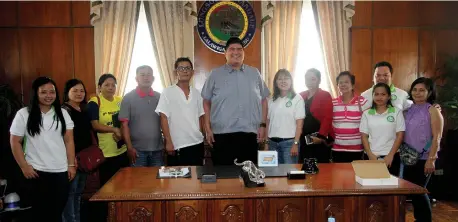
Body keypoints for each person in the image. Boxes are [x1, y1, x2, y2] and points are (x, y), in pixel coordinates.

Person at [10, 77, 75, 221]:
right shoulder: (24, 114)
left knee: (56, 213)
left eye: (52, 92)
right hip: (36, 172)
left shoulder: (63, 114)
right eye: (44, 92)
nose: (48, 95)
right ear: (36, 94)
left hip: (60, 171)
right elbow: (15, 142)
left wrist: (71, 165)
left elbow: (69, 141)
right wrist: (24, 166)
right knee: (39, 215)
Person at [201, 37, 270, 165]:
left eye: (239, 49)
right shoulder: (215, 74)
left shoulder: (254, 73)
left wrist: (263, 125)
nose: (236, 52)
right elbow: (206, 102)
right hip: (222, 136)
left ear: (243, 52)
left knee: (249, 177)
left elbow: (264, 100)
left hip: (250, 135)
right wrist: (208, 128)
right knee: (224, 178)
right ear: (225, 53)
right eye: (232, 49)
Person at [402, 77, 443, 222]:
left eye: (422, 90)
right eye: (414, 90)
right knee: (412, 192)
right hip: (407, 157)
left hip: (425, 158)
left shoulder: (433, 110)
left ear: (429, 92)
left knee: (419, 191)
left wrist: (431, 160)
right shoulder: (407, 110)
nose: (417, 93)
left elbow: (437, 136)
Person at [156, 58, 205, 166]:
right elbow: (163, 118)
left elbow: (201, 117)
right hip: (177, 145)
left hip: (197, 143)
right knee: (177, 182)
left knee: (196, 180)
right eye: (181, 68)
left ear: (192, 72)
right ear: (175, 72)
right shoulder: (167, 92)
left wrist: (203, 135)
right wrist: (168, 141)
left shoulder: (197, 93)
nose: (185, 71)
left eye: (188, 68)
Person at [87, 74, 128, 185]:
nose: (110, 88)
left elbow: (126, 120)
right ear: (99, 87)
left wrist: (121, 131)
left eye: (113, 85)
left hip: (122, 149)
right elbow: (95, 125)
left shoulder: (120, 100)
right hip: (105, 153)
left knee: (124, 184)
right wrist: (114, 130)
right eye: (106, 85)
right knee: (108, 186)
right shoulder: (94, 102)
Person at [61, 79, 93, 222]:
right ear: (67, 93)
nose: (79, 93)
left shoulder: (84, 109)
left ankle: (76, 219)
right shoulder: (64, 110)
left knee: (78, 193)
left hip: (84, 159)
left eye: (81, 91)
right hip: (71, 159)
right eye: (75, 90)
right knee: (70, 194)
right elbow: (64, 138)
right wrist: (70, 160)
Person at [119, 65, 163, 167]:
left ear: (153, 78)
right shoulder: (128, 98)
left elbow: (165, 121)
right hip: (137, 151)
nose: (146, 77)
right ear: (136, 78)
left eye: (149, 75)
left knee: (158, 181)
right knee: (138, 182)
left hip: (158, 150)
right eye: (142, 75)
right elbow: (124, 126)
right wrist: (129, 148)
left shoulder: (160, 97)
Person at [360, 83, 405, 176]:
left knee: (390, 188)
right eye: (376, 94)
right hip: (371, 156)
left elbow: (400, 135)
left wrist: (390, 155)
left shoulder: (396, 112)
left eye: (383, 94)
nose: (379, 97)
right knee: (371, 187)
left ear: (388, 96)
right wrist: (370, 154)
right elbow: (364, 136)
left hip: (391, 156)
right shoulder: (366, 114)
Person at [264, 69, 305, 164]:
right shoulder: (271, 100)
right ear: (275, 82)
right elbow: (268, 122)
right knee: (273, 175)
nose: (283, 81)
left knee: (289, 175)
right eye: (280, 79)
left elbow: (299, 125)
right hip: (272, 144)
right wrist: (266, 143)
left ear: (291, 81)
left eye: (286, 78)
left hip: (289, 144)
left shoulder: (297, 99)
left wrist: (295, 143)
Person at [331, 71, 371, 162]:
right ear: (337, 86)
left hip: (357, 149)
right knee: (338, 175)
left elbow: (370, 123)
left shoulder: (362, 102)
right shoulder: (332, 103)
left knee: (354, 175)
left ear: (352, 85)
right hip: (337, 148)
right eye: (340, 82)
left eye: (346, 82)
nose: (343, 85)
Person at [299, 68, 333, 163]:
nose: (309, 82)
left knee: (321, 170)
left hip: (318, 138)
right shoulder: (300, 95)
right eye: (307, 79)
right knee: (303, 167)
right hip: (303, 138)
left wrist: (321, 137)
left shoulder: (325, 95)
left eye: (313, 79)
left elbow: (328, 117)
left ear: (319, 80)